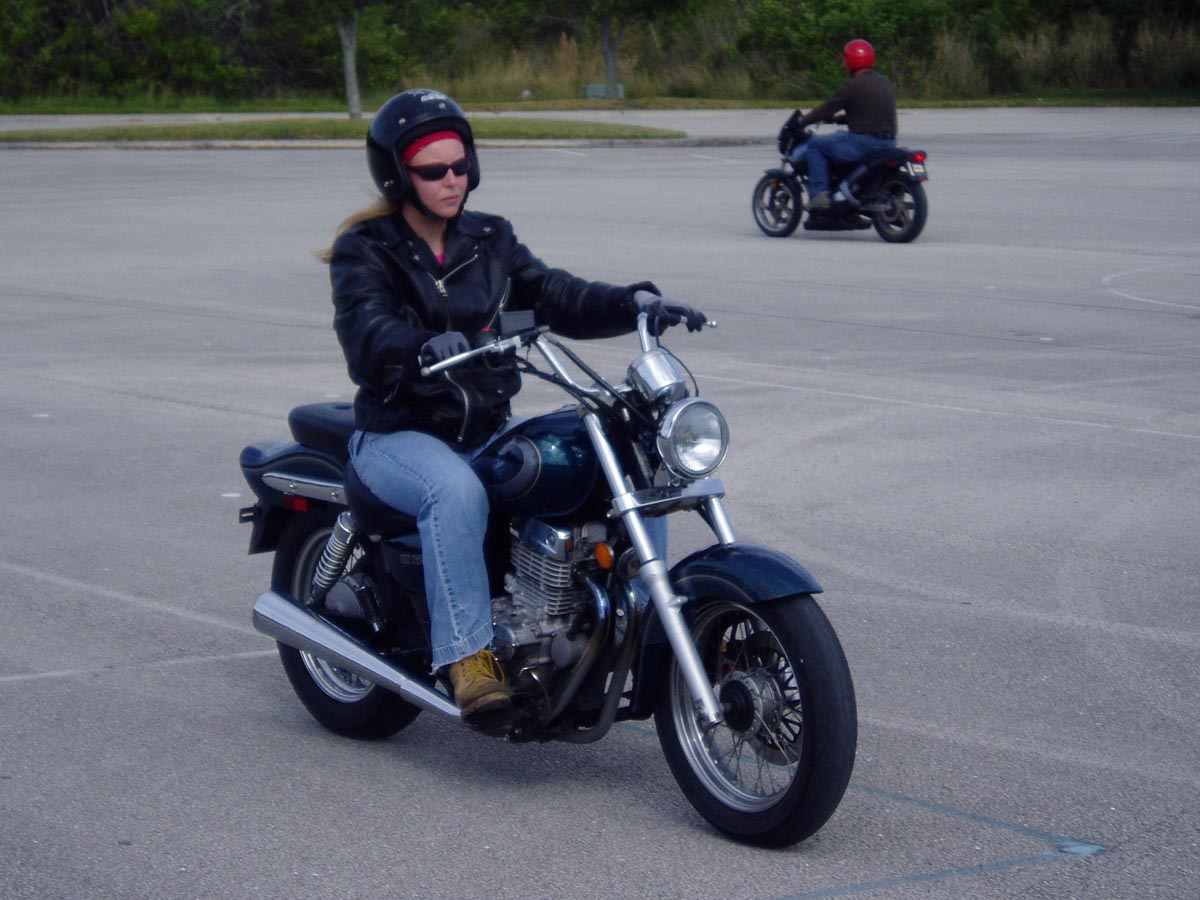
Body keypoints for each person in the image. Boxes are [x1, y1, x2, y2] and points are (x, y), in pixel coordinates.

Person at [324, 88, 703, 719]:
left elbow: (555, 293)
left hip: (487, 429)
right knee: (455, 491)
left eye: (460, 166)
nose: (452, 180)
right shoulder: (366, 248)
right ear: (398, 176)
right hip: (400, 434)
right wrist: (417, 345)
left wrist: (634, 303)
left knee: (617, 450)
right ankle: (468, 658)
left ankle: (636, 621)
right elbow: (365, 329)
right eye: (433, 171)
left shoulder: (489, 238)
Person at [789, 39, 897, 210]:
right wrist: (840, 120)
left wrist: (804, 121)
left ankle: (819, 195)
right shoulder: (885, 82)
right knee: (839, 135)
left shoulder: (852, 86)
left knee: (816, 145)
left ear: (849, 61)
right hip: (889, 143)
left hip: (864, 144)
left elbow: (825, 109)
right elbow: (870, 113)